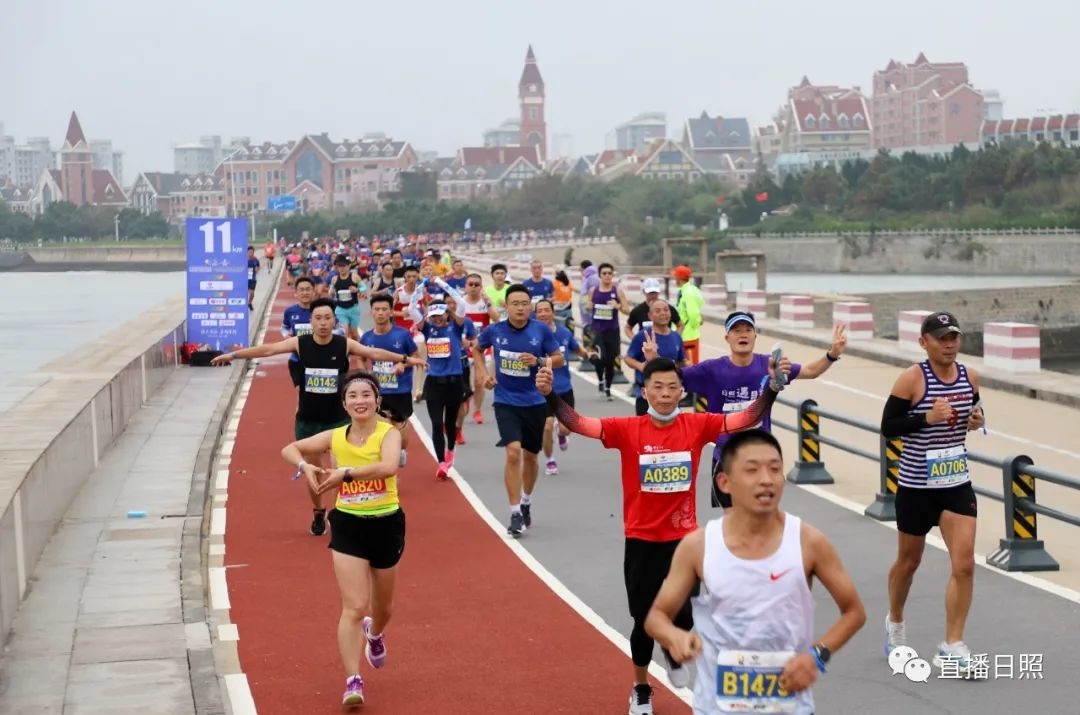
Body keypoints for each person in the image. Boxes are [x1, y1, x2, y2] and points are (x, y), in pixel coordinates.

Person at [535, 356, 788, 714]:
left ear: (682, 391)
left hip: (684, 542)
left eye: (672, 387)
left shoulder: (697, 425)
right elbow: (578, 423)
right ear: (645, 391)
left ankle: (673, 648)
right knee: (643, 622)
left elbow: (745, 418)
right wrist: (550, 395)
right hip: (642, 541)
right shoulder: (627, 429)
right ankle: (641, 688)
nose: (666, 393)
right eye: (658, 387)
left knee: (687, 616)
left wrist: (772, 388)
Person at [644, 430, 866, 715]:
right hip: (717, 707)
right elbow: (657, 617)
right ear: (724, 483)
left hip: (790, 707)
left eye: (774, 469)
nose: (766, 479)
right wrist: (674, 637)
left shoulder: (808, 542)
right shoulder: (699, 546)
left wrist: (816, 656)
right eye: (752, 470)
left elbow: (854, 612)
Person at [211, 298, 425, 535]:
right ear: (311, 321)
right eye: (318, 318)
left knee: (340, 469)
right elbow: (268, 349)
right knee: (314, 471)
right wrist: (233, 355)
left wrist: (406, 359)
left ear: (334, 321)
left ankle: (341, 512)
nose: (323, 323)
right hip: (309, 419)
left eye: (327, 318)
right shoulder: (300, 343)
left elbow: (374, 352)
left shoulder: (344, 344)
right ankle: (318, 511)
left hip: (339, 419)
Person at [280, 371, 406, 709]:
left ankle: (374, 634)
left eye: (366, 395)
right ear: (344, 404)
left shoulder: (388, 433)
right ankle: (353, 680)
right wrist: (305, 466)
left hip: (386, 524)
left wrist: (345, 474)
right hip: (348, 524)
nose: (360, 401)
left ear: (377, 401)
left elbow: (389, 467)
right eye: (353, 396)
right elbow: (289, 448)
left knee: (383, 609)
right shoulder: (335, 436)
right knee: (354, 606)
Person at [880, 311, 984, 673]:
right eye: (941, 338)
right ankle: (895, 621)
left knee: (965, 564)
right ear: (924, 342)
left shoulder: (970, 376)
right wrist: (925, 418)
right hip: (916, 486)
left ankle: (952, 644)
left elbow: (974, 412)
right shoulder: (912, 378)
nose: (949, 344)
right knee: (909, 562)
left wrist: (977, 421)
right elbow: (889, 427)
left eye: (954, 337)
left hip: (955, 483)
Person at [682, 311, 848, 510]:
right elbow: (672, 379)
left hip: (761, 458)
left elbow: (810, 371)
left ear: (755, 336)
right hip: (726, 458)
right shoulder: (711, 370)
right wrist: (653, 359)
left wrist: (832, 354)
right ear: (727, 338)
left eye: (748, 330)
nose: (743, 334)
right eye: (737, 330)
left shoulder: (769, 365)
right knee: (732, 521)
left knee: (762, 518)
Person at [473, 284, 563, 537]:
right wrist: (484, 374)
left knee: (531, 457)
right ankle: (514, 512)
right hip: (506, 401)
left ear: (530, 306)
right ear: (506, 306)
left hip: (535, 402)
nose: (520, 308)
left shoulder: (540, 330)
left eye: (525, 303)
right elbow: (476, 348)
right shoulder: (495, 330)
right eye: (515, 303)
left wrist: (539, 361)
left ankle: (525, 501)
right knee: (513, 453)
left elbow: (559, 359)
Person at [533, 298, 597, 475]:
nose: (543, 314)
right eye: (539, 311)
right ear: (535, 315)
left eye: (546, 310)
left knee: (567, 429)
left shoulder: (564, 333)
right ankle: (550, 460)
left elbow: (577, 349)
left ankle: (561, 433)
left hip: (564, 390)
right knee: (546, 426)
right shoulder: (532, 337)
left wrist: (588, 354)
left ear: (553, 313)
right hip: (543, 391)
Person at [413, 299, 475, 479]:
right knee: (437, 424)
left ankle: (450, 450)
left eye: (440, 315)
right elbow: (411, 309)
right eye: (434, 316)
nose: (437, 319)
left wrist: (442, 285)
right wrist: (420, 287)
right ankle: (441, 462)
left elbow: (461, 304)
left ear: (447, 314)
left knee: (450, 423)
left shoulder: (455, 328)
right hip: (434, 383)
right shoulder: (427, 329)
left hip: (454, 383)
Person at [359, 294, 419, 467]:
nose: (380, 313)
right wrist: (365, 374)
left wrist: (402, 364)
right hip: (379, 393)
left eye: (384, 309)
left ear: (391, 312)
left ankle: (399, 451)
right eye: (377, 309)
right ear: (371, 312)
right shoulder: (367, 338)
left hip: (400, 390)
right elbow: (361, 358)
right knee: (382, 432)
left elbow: (416, 357)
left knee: (401, 436)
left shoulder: (403, 335)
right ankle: (386, 465)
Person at [624, 300, 686, 416]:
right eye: (658, 311)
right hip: (647, 396)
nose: (663, 313)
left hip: (671, 396)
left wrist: (688, 366)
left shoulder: (676, 337)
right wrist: (640, 366)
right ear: (650, 315)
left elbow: (682, 361)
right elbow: (628, 358)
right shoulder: (642, 336)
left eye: (666, 310)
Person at [583, 262, 630, 401]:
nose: (607, 276)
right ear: (600, 275)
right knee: (600, 359)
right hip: (597, 331)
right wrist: (588, 306)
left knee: (610, 360)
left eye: (610, 273)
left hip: (612, 331)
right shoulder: (593, 290)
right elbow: (587, 306)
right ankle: (600, 380)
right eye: (604, 273)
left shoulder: (618, 291)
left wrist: (617, 306)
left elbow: (627, 311)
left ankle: (608, 389)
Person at [282, 276, 317, 388]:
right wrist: (286, 335)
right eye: (301, 290)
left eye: (308, 289)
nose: (305, 293)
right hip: (297, 360)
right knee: (301, 393)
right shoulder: (290, 311)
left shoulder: (322, 310)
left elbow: (339, 329)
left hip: (319, 359)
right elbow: (284, 327)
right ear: (296, 293)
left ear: (313, 292)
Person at [671, 266, 703, 365]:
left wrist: (694, 325)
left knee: (690, 367)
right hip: (682, 336)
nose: (674, 279)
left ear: (679, 278)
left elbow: (693, 314)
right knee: (681, 367)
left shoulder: (689, 293)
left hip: (689, 337)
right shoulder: (684, 291)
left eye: (675, 276)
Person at [331, 255, 365, 341]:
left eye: (343, 266)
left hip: (353, 309)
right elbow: (330, 292)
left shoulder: (354, 277)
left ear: (348, 266)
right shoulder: (334, 279)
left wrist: (357, 289)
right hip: (341, 310)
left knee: (354, 334)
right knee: (344, 332)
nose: (341, 268)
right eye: (339, 266)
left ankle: (359, 348)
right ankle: (345, 349)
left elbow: (364, 287)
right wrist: (331, 292)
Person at [246, 245, 260, 310]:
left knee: (252, 294)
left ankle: (249, 303)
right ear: (247, 252)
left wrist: (257, 270)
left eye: (252, 252)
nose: (250, 253)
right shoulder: (244, 259)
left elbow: (258, 266)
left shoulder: (255, 259)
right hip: (245, 278)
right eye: (249, 252)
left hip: (252, 278)